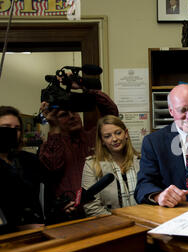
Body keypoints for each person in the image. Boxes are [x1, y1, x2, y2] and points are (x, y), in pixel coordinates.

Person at [39, 86, 118, 223]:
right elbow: (53, 167)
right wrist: (53, 127)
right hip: (69, 217)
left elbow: (111, 114)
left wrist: (86, 88)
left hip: (99, 211)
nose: (71, 116)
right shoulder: (50, 146)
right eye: (64, 115)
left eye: (74, 112)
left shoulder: (93, 136)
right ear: (55, 120)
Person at [81, 115, 140, 217]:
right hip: (112, 224)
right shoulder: (92, 165)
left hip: (144, 220)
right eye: (107, 136)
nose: (115, 139)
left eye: (118, 133)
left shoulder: (142, 160)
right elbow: (91, 206)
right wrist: (119, 222)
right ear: (102, 141)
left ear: (125, 134)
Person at [0, 106, 45, 234]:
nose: (12, 132)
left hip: (35, 232)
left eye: (17, 128)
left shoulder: (29, 160)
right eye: (6, 127)